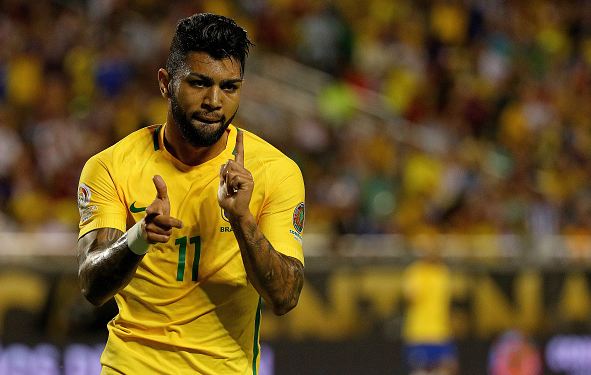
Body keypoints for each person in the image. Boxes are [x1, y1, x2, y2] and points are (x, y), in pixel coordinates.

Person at [76, 13, 305, 374]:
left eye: (230, 87)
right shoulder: (111, 166)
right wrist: (139, 237)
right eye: (200, 83)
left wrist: (242, 219)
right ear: (166, 83)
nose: (215, 100)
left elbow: (285, 297)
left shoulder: (274, 172)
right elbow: (91, 284)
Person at [401, 232, 458, 375]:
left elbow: (446, 303)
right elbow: (410, 297)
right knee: (420, 371)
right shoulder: (415, 272)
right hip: (419, 332)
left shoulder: (443, 273)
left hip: (441, 332)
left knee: (448, 368)